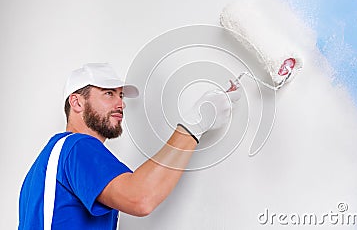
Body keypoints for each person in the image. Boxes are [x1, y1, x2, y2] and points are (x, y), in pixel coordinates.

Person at [18, 63, 240, 229]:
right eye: (108, 93)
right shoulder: (77, 147)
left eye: (121, 95)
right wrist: (196, 122)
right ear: (76, 102)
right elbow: (141, 197)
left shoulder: (46, 163)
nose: (120, 103)